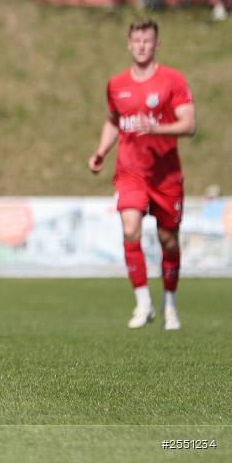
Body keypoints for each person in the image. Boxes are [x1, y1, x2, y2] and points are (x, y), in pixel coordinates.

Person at [88, 19, 196, 331]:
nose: (141, 46)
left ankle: (169, 304)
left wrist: (156, 127)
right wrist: (101, 151)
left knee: (168, 241)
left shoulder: (172, 80)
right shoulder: (116, 84)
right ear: (128, 44)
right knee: (130, 227)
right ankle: (142, 302)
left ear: (156, 44)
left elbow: (189, 125)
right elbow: (113, 120)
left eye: (147, 41)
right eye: (136, 40)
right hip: (130, 172)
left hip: (166, 175)